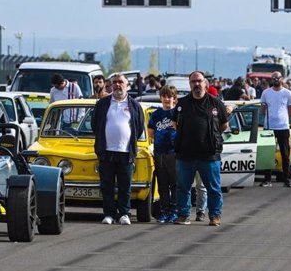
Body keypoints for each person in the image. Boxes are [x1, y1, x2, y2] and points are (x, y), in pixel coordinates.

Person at [171, 71, 229, 226]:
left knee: (213, 189)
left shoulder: (216, 104)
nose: (196, 84)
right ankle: (183, 215)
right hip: (185, 155)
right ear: (190, 84)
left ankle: (215, 216)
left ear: (205, 83)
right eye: (193, 82)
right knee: (183, 187)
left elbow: (224, 125)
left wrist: (211, 137)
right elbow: (174, 124)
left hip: (209, 155)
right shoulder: (182, 104)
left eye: (199, 81)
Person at [91, 74, 144, 225]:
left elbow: (139, 128)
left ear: (127, 85)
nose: (117, 85)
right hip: (106, 151)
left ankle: (124, 214)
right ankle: (109, 214)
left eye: (121, 82)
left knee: (125, 185)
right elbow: (95, 125)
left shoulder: (134, 105)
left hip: (126, 153)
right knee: (106, 185)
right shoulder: (102, 104)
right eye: (114, 82)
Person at [147, 85, 178, 223]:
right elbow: (151, 133)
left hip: (174, 153)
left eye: (170, 96)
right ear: (161, 98)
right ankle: (165, 211)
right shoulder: (156, 114)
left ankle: (175, 211)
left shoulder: (177, 113)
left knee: (175, 184)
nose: (167, 99)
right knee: (162, 184)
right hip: (159, 153)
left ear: (174, 98)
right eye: (164, 96)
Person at [259, 72, 291, 187]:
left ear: (281, 79)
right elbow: (263, 109)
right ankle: (267, 179)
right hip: (269, 126)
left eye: (277, 78)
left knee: (285, 153)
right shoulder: (266, 93)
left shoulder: (288, 93)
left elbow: (290, 110)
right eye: (273, 78)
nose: (275, 80)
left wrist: (284, 119)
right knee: (268, 153)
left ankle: (287, 179)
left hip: (283, 126)